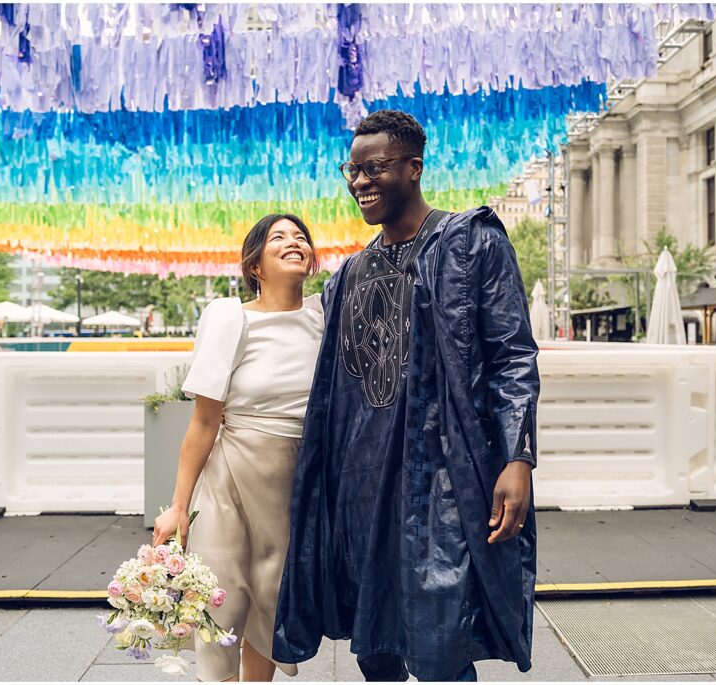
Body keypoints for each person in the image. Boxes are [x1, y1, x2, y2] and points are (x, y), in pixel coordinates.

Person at [272, 110, 540, 682]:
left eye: (375, 168)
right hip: (362, 485)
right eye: (353, 169)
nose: (359, 181)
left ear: (414, 168)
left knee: (444, 640)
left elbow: (513, 355)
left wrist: (518, 459)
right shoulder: (346, 275)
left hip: (441, 481)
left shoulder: (471, 242)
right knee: (375, 644)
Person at [152, 214, 323, 682]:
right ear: (255, 265)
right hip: (230, 472)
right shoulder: (230, 318)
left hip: (295, 479)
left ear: (311, 259)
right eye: (278, 238)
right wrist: (179, 507)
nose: (294, 242)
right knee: (222, 596)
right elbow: (204, 422)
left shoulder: (325, 315)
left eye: (300, 237)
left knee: (273, 595)